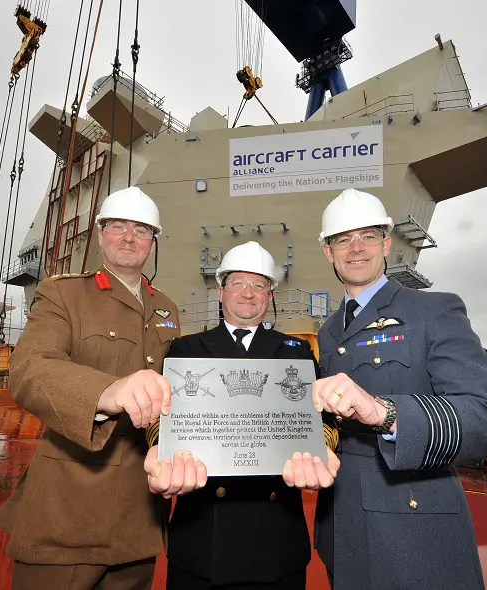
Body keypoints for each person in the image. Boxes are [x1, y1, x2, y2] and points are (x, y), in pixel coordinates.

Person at [311, 188, 487, 590]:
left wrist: (386, 413)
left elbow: (485, 422)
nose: (356, 247)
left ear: (386, 244)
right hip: (341, 524)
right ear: (329, 252)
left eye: (367, 236)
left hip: (411, 529)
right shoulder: (329, 331)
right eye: (343, 239)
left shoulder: (434, 311)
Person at [0, 186, 180, 590]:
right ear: (100, 233)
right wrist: (108, 393)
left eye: (142, 230)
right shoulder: (64, 293)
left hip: (140, 511)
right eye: (118, 226)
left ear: (153, 241)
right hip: (69, 508)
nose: (129, 237)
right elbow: (31, 368)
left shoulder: (166, 307)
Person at [143, 241, 340, 590]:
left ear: (269, 296)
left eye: (259, 285)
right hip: (203, 535)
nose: (248, 294)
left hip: (277, 536)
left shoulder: (296, 353)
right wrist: (164, 448)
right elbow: (162, 416)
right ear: (221, 293)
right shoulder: (185, 350)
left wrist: (317, 449)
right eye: (238, 284)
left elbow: (322, 420)